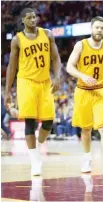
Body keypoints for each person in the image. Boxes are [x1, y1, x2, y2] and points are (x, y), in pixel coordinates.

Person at [4, 8, 61, 176]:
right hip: (26, 82)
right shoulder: (17, 40)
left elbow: (56, 58)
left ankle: (39, 144)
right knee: (30, 123)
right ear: (22, 20)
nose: (32, 20)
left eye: (34, 17)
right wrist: (7, 91)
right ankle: (35, 161)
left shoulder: (48, 34)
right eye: (29, 17)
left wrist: (57, 77)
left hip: (45, 82)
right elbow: (12, 67)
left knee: (49, 121)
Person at [66, 16, 103, 176]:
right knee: (86, 129)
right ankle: (87, 157)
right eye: (97, 27)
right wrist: (82, 76)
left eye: (102, 28)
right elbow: (69, 66)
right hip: (83, 90)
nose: (99, 30)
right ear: (91, 28)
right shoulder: (81, 45)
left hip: (102, 90)